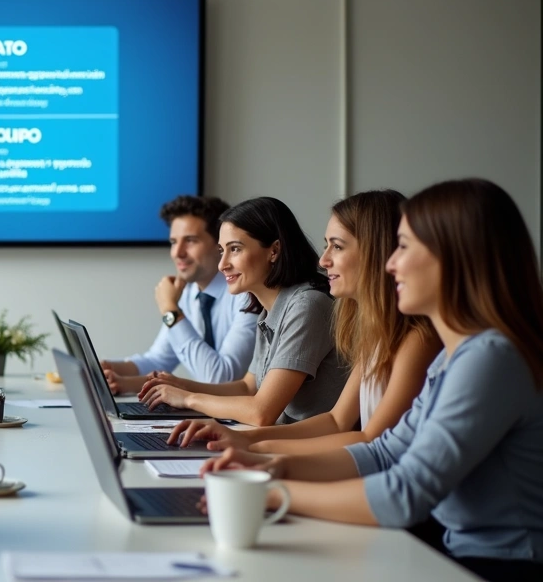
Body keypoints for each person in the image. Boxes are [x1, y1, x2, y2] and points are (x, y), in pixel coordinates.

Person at [201, 179, 543, 580]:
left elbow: (404, 495)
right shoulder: (457, 357)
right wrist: (273, 467)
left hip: (500, 566)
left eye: (405, 247)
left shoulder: (490, 360)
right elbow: (384, 452)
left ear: (456, 258)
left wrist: (269, 493)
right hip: (457, 552)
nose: (392, 263)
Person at [168, 190, 440, 453]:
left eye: (337, 246)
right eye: (326, 245)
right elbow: (335, 421)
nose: (324, 259)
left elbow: (370, 441)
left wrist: (252, 444)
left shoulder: (311, 304)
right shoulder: (373, 332)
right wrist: (244, 440)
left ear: (376, 253)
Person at [138, 197, 346, 426]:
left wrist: (188, 398)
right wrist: (183, 385)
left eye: (234, 249)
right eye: (221, 250)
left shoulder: (307, 305)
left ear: (274, 250)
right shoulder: (269, 311)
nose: (222, 264)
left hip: (307, 451)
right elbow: (248, 387)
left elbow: (261, 412)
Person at [102, 196, 258, 394]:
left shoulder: (248, 295)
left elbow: (220, 378)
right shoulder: (187, 293)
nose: (177, 252)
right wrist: (107, 368)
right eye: (174, 242)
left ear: (220, 244)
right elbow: (158, 359)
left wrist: (170, 309)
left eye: (190, 241)